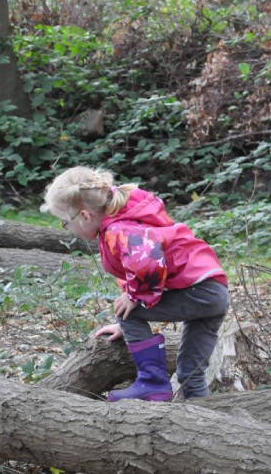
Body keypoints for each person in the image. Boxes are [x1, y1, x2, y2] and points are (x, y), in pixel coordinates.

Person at [40, 166, 229, 401]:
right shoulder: (127, 217)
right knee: (190, 374)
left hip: (200, 292)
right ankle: (204, 417)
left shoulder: (119, 229)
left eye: (65, 223)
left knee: (127, 310)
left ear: (84, 216)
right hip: (212, 292)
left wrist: (133, 300)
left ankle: (152, 384)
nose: (68, 229)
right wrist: (131, 328)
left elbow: (148, 264)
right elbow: (138, 267)